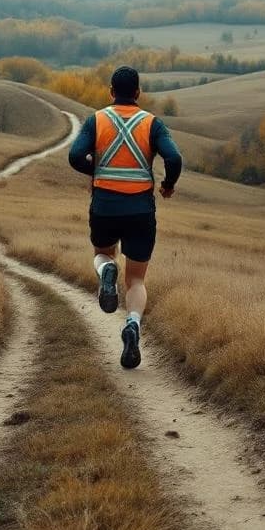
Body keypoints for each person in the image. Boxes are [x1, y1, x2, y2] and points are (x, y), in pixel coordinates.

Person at [68, 65, 182, 369]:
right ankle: (132, 324)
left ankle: (107, 272)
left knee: (103, 255)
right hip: (141, 210)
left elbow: (75, 156)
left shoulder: (97, 119)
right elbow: (174, 158)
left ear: (110, 92)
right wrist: (168, 185)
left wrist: (98, 172)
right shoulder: (152, 124)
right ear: (138, 93)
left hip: (105, 205)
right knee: (136, 279)